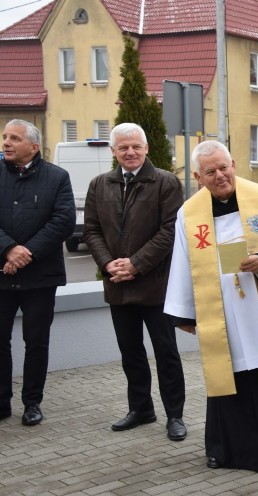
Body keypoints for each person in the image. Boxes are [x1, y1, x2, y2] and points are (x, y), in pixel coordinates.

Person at [164, 140, 258, 472]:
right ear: (197, 176)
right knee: (227, 373)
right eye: (210, 172)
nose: (220, 176)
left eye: (224, 167)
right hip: (222, 313)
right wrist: (184, 312)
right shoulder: (189, 213)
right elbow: (182, 261)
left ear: (233, 163)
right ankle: (227, 450)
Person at [83, 123, 187, 441]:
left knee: (166, 352)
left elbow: (170, 231)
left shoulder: (166, 182)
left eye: (135, 146)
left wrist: (136, 264)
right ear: (113, 151)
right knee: (130, 352)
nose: (130, 152)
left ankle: (175, 416)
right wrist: (107, 263)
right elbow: (91, 230)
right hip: (118, 284)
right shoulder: (99, 184)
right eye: (123, 147)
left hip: (156, 286)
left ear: (146, 149)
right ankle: (141, 409)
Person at [0, 119, 75, 426]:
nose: (6, 142)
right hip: (1, 274)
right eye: (5, 137)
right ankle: (1, 402)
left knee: (37, 342)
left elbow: (63, 221)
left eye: (14, 138)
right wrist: (8, 249)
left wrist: (24, 253)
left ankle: (32, 402)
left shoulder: (57, 177)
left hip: (40, 278)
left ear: (33, 146)